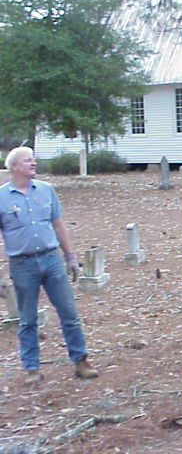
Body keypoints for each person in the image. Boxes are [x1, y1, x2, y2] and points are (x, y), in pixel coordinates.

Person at [0, 146, 98, 385]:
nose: (33, 163)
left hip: (51, 260)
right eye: (28, 160)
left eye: (33, 159)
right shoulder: (2, 197)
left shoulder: (46, 190)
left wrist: (70, 257)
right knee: (27, 319)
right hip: (22, 264)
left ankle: (81, 361)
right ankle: (32, 368)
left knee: (69, 313)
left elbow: (58, 225)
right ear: (14, 166)